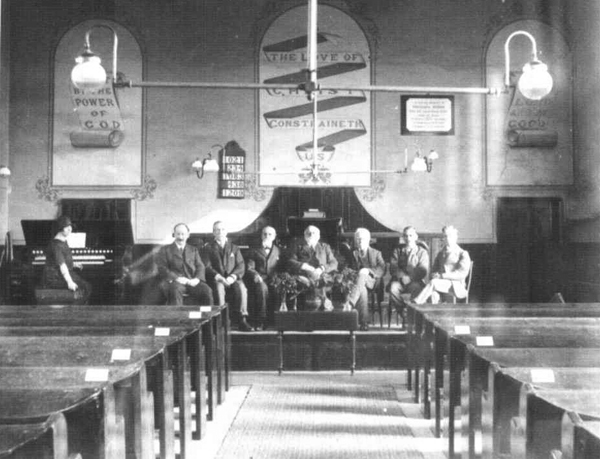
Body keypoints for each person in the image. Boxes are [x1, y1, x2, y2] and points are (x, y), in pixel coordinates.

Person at [203, 221, 251, 331]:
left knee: (242, 288)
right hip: (217, 279)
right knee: (219, 289)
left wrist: (232, 277)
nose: (220, 232)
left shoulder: (234, 248)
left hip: (232, 278)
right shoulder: (207, 248)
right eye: (217, 230)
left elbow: (241, 265)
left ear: (227, 231)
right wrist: (219, 277)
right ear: (213, 232)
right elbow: (207, 266)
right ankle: (221, 320)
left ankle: (242, 319)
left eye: (223, 229)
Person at [155, 222, 213, 306]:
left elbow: (200, 266)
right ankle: (177, 318)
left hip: (192, 281)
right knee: (174, 290)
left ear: (188, 235)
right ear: (173, 235)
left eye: (183, 234)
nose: (181, 237)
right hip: (175, 282)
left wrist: (196, 279)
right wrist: (177, 278)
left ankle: (207, 318)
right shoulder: (165, 250)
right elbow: (162, 268)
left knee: (207, 291)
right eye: (178, 234)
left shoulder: (193, 250)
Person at [413, 225, 471, 304]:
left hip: (456, 285)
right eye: (444, 236)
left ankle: (416, 303)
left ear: (455, 237)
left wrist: (442, 276)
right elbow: (433, 270)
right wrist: (434, 274)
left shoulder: (463, 253)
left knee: (433, 282)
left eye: (449, 236)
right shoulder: (441, 253)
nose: (447, 239)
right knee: (433, 294)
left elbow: (461, 274)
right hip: (440, 284)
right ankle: (434, 315)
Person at [41, 215, 92, 305]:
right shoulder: (56, 245)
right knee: (86, 287)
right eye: (66, 227)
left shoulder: (63, 241)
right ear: (60, 228)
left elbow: (65, 258)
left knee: (86, 285)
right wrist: (69, 282)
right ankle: (73, 311)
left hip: (60, 273)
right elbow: (62, 265)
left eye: (70, 226)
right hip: (54, 277)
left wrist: (74, 264)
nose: (70, 229)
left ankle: (78, 308)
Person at [343, 228, 386, 331]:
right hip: (358, 284)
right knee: (362, 290)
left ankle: (350, 303)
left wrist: (368, 270)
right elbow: (345, 268)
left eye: (362, 239)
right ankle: (364, 323)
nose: (360, 241)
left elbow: (382, 269)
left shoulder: (376, 253)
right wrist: (354, 273)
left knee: (362, 276)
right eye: (358, 239)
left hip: (373, 281)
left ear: (368, 240)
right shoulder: (352, 253)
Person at [287, 225, 338, 310]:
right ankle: (324, 301)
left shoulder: (325, 247)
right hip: (304, 276)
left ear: (318, 236)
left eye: (314, 233)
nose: (311, 235)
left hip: (322, 276)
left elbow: (334, 262)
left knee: (320, 280)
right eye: (308, 233)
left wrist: (322, 268)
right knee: (308, 281)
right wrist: (305, 266)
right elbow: (291, 261)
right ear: (304, 235)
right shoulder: (297, 246)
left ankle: (320, 306)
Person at [244, 225, 281, 330]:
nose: (267, 236)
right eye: (265, 234)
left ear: (274, 236)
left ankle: (277, 320)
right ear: (261, 235)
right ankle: (261, 320)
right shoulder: (254, 250)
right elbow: (250, 267)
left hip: (274, 279)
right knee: (261, 288)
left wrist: (279, 278)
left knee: (279, 289)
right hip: (260, 278)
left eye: (270, 234)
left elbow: (282, 267)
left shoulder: (279, 251)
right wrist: (256, 275)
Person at [388, 226, 430, 320]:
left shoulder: (422, 252)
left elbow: (422, 270)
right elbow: (393, 267)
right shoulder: (397, 250)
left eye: (411, 235)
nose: (408, 238)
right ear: (403, 237)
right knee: (393, 288)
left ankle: (412, 315)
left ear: (416, 237)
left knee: (417, 289)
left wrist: (410, 278)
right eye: (406, 236)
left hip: (415, 281)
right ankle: (404, 313)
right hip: (399, 281)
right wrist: (402, 277)